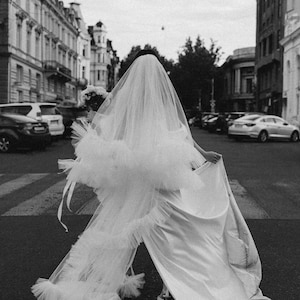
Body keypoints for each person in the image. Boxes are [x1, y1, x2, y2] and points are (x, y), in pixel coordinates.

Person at [32, 50, 270, 300]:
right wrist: (202, 152)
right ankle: (173, 284)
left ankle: (109, 280)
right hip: (163, 179)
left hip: (146, 177)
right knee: (176, 235)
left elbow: (125, 136)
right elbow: (180, 134)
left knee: (127, 228)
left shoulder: (130, 103)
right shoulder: (160, 103)